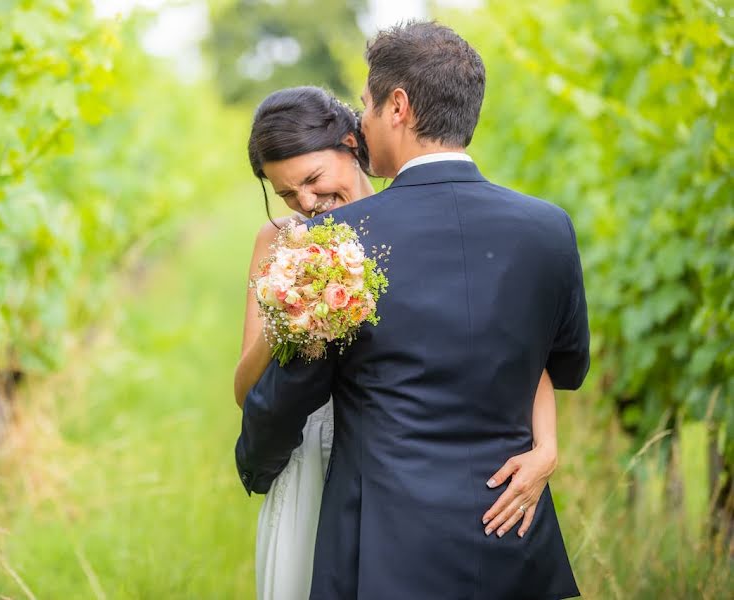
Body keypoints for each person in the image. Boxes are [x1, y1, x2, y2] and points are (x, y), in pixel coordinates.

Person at [235, 80, 569, 598]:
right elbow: (248, 391)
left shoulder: (411, 223)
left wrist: (546, 445)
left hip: (398, 469)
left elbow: (512, 347)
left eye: (312, 178)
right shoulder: (281, 241)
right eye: (285, 194)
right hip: (315, 448)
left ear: (351, 145)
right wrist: (290, 314)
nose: (305, 202)